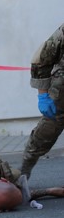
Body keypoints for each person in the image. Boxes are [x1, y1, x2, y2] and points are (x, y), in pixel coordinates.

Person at [20, 23, 64, 179]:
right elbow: (42, 58)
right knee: (41, 139)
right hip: (60, 99)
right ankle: (22, 176)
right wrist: (42, 95)